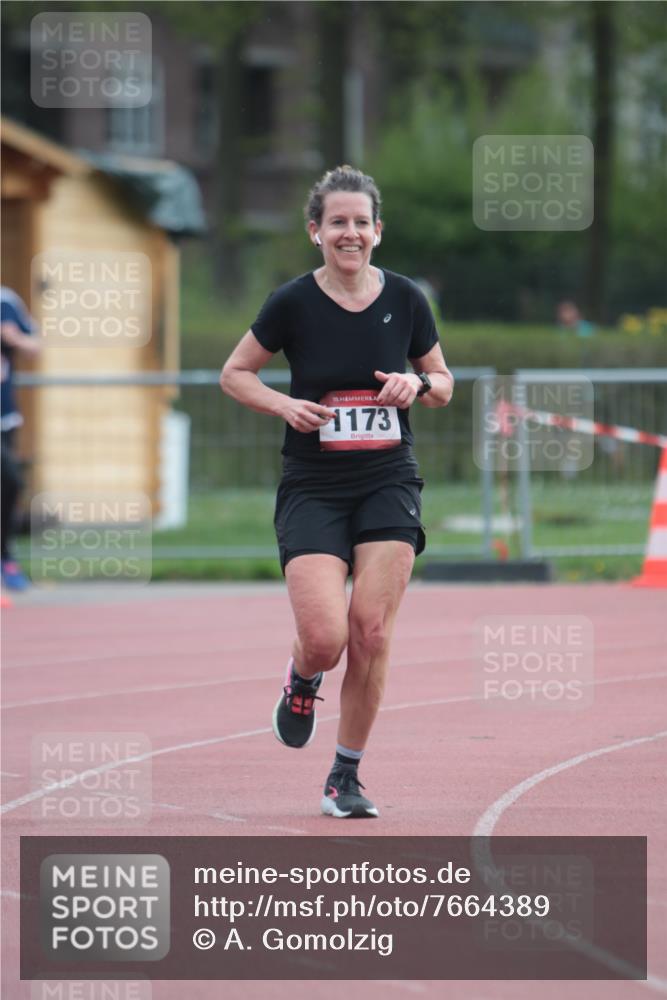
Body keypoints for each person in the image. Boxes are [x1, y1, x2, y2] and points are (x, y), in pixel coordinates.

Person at [220, 166, 454, 818]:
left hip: (386, 478)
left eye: (360, 222)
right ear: (314, 231)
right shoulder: (291, 302)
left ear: (376, 231)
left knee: (371, 632)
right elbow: (235, 373)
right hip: (314, 485)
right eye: (336, 223)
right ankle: (302, 680)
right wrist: (281, 406)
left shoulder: (404, 298)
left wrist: (418, 386)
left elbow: (442, 381)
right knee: (325, 638)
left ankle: (343, 777)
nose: (348, 233)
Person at [1, 286, 40, 592]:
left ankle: (5, 557)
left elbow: (35, 345)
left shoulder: (6, 301)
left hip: (4, 417)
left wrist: (13, 338)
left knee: (10, 482)